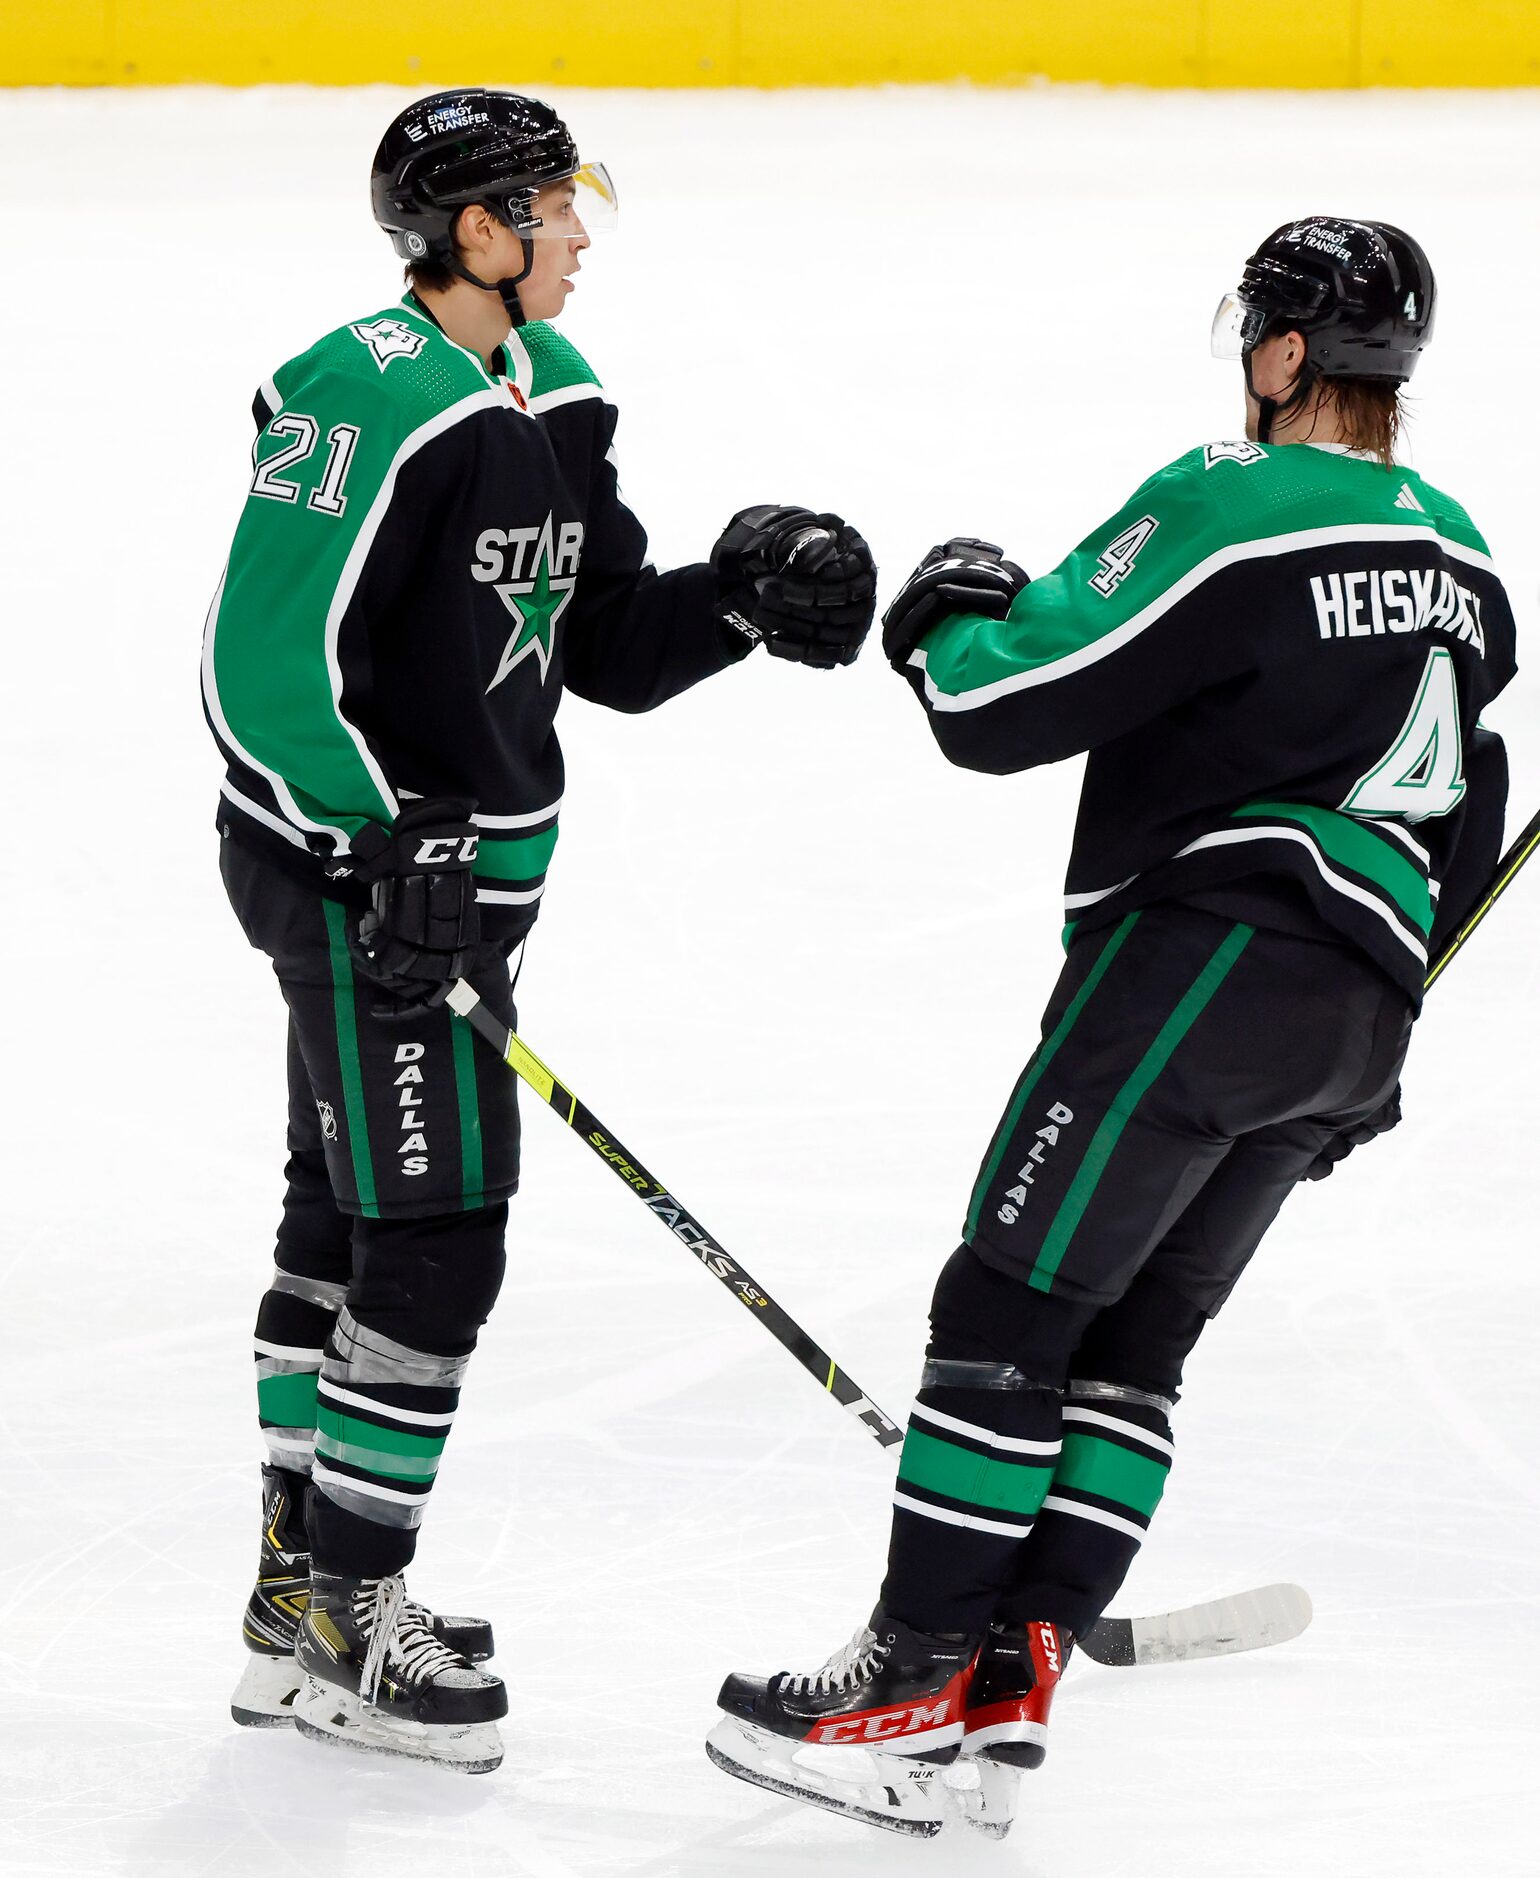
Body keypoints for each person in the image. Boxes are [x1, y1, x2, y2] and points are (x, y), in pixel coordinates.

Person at [705, 218, 1516, 1838]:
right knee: (1131, 1350)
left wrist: (945, 614)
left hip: (1208, 965)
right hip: (1356, 1016)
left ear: (1284, 354)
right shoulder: (1470, 559)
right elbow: (1473, 802)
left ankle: (907, 1679)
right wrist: (1367, 1020)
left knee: (1005, 1304)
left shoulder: (1231, 501)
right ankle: (1006, 1687)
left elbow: (1003, 705)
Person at [204, 86, 876, 1773]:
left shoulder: (556, 395)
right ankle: (350, 1608)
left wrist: (736, 594)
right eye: (552, 206)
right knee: (439, 1236)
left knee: (350, 1212)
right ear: (476, 234)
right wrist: (382, 838)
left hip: (462, 893)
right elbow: (261, 665)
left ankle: (304, 1588)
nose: (580, 231)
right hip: (360, 887)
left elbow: (604, 644)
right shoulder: (364, 394)